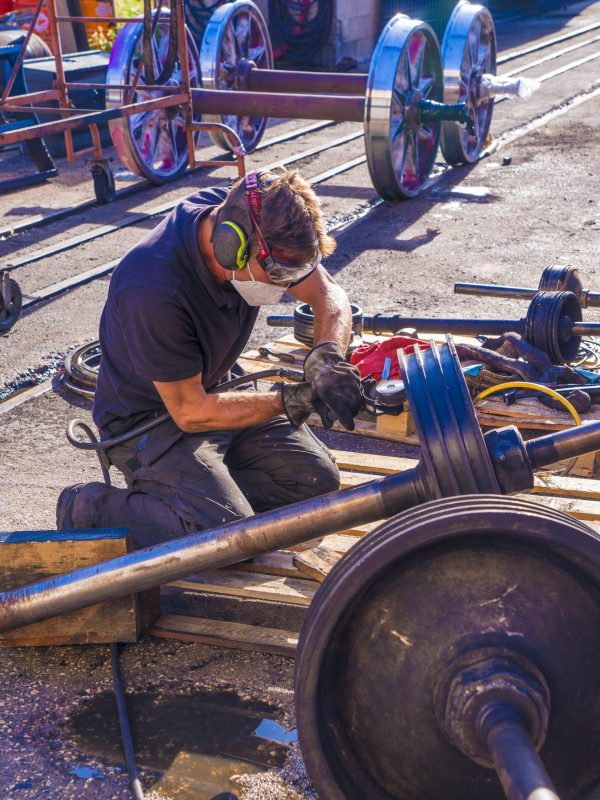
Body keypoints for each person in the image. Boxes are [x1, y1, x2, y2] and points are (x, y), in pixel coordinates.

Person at [56, 168, 363, 547]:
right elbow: (191, 412)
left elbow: (329, 294)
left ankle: (206, 497)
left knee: (315, 482)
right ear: (228, 248)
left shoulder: (245, 214)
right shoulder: (151, 289)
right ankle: (90, 508)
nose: (286, 286)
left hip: (217, 389)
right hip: (153, 423)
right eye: (279, 273)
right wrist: (291, 400)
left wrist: (328, 356)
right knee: (225, 541)